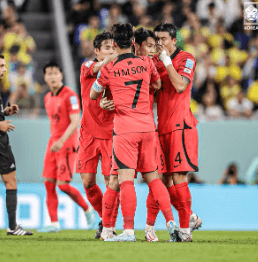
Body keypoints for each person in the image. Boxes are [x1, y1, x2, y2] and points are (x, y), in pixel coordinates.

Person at [90, 23, 180, 242]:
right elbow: (157, 85)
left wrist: (104, 96)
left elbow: (93, 94)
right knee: (153, 179)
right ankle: (170, 223)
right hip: (148, 126)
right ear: (132, 42)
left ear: (113, 44)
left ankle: (128, 231)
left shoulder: (109, 68)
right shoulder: (147, 62)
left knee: (125, 180)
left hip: (125, 129)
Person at [153, 22, 202, 242]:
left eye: (163, 39)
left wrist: (165, 61)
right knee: (163, 180)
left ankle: (185, 231)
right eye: (157, 39)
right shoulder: (156, 62)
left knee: (179, 177)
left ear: (174, 40)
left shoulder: (187, 58)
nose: (159, 43)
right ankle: (189, 217)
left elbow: (181, 85)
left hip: (181, 126)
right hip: (161, 127)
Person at [37, 61, 95, 233]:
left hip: (67, 144)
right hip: (52, 144)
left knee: (63, 185)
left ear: (61, 75)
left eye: (56, 73)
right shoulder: (48, 97)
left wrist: (61, 141)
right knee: (48, 184)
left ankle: (88, 210)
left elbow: (75, 121)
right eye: (49, 73)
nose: (53, 76)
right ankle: (54, 223)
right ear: (45, 77)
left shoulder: (70, 95)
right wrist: (55, 141)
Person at [76, 32, 118, 239]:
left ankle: (109, 225)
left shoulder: (119, 72)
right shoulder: (87, 67)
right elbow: (98, 68)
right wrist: (114, 58)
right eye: (108, 47)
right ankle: (104, 219)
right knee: (88, 182)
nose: (111, 51)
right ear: (97, 51)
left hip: (111, 134)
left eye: (114, 47)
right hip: (88, 134)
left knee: (112, 181)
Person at [0, 54, 33, 235]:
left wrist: (5, 112)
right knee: (10, 181)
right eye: (1, 66)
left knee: (10, 180)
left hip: (2, 142)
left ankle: (13, 226)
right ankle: (12, 227)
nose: (4, 69)